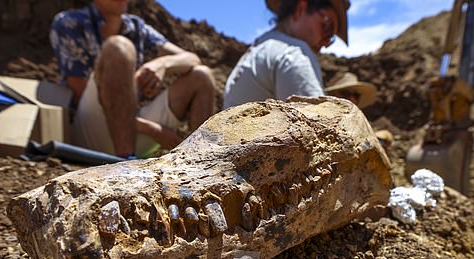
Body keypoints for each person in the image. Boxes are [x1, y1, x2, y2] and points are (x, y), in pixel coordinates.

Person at [50, 0, 216, 159]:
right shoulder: (70, 22)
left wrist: (163, 64)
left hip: (133, 129)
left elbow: (192, 59)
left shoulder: (137, 27)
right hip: (89, 133)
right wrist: (153, 130)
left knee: (202, 75)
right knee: (118, 48)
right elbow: (78, 94)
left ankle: (202, 160)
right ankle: (125, 161)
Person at [224, 0, 350, 109]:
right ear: (300, 9)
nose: (326, 43)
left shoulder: (260, 48)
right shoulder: (294, 54)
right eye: (327, 27)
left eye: (331, 39)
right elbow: (318, 127)